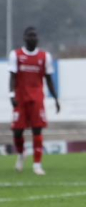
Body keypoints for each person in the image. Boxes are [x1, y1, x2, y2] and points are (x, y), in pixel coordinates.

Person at [10, 27, 60, 175]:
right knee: (17, 131)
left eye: (35, 36)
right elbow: (12, 76)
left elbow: (49, 79)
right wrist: (11, 95)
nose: (33, 38)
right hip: (20, 98)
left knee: (37, 130)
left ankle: (37, 164)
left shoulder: (45, 56)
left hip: (37, 98)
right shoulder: (16, 55)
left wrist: (56, 99)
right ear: (24, 38)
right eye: (30, 36)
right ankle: (21, 154)